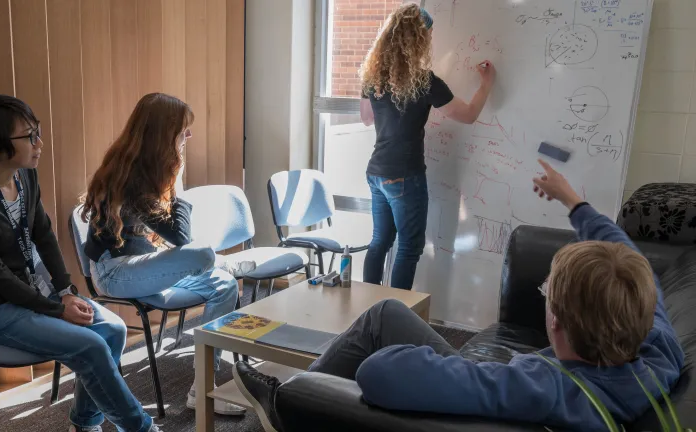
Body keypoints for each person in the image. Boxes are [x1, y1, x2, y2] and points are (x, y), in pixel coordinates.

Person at [231, 160, 685, 431]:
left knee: (378, 324)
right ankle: (298, 393)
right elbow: (628, 255)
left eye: (548, 295)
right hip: (502, 378)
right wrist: (573, 202)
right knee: (387, 311)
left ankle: (292, 403)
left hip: (477, 388)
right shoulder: (657, 346)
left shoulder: (542, 389)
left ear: (556, 322)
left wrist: (451, 368)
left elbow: (378, 375)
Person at [0, 95, 162, 432]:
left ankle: (85, 423)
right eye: (29, 136)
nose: (39, 143)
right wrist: (56, 307)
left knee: (113, 329)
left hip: (33, 295)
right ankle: (141, 428)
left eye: (37, 132)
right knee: (91, 344)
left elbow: (43, 234)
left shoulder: (24, 176)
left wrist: (66, 291)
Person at [81, 92, 248, 416]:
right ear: (163, 133)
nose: (188, 136)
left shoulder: (147, 168)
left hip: (143, 266)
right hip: (115, 273)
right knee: (201, 253)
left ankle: (203, 390)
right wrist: (178, 177)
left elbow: (174, 238)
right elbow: (181, 236)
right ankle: (224, 261)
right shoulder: (129, 177)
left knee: (225, 285)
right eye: (182, 129)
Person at [360, 4, 496, 290]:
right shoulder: (424, 82)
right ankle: (394, 317)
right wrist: (486, 84)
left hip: (376, 172)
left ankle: (367, 312)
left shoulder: (373, 77)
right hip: (404, 175)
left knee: (380, 242)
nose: (431, 42)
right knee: (409, 248)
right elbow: (469, 115)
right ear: (417, 40)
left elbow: (365, 118)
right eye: (429, 36)